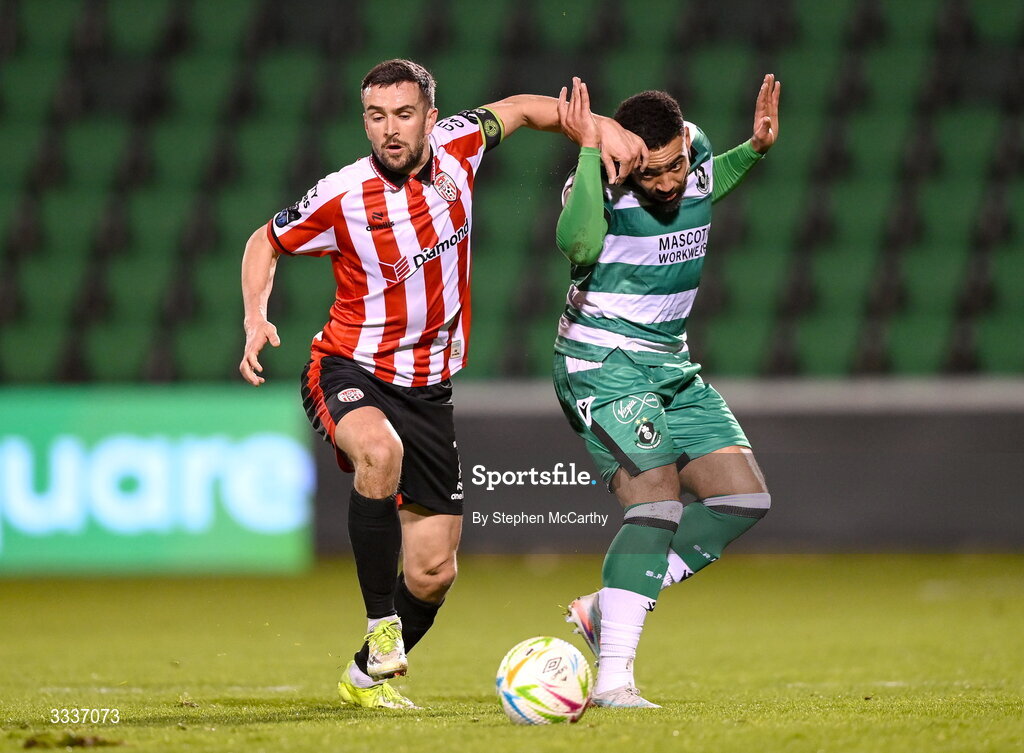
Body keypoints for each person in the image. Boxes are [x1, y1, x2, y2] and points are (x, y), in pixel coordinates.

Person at [239, 59, 646, 710]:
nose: (390, 129)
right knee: (380, 453)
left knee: (433, 572)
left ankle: (364, 678)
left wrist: (597, 128)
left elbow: (518, 109)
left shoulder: (460, 143)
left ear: (431, 116)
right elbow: (266, 240)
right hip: (349, 366)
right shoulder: (343, 195)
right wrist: (255, 315)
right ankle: (381, 627)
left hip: (429, 391)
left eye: (404, 114)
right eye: (376, 116)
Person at [553, 75, 781, 707]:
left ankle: (611, 604)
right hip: (601, 359)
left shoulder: (696, 152)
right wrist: (590, 151)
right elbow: (576, 244)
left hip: (672, 364)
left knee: (744, 499)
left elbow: (705, 188)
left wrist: (752, 151)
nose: (667, 183)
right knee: (655, 501)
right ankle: (613, 680)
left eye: (675, 165)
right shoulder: (598, 181)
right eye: (650, 174)